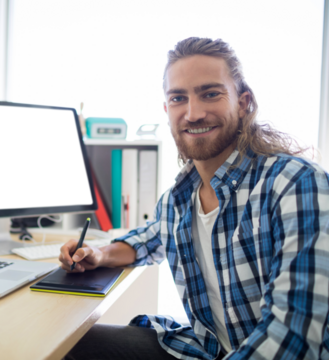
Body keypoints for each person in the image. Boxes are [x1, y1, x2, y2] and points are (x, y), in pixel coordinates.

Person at [60, 37, 329, 360]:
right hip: (206, 350)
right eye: (178, 98)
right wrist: (98, 253)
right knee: (71, 345)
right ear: (166, 109)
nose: (193, 113)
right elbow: (146, 240)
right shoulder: (177, 199)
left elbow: (292, 335)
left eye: (210, 94)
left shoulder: (294, 183)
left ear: (243, 103)